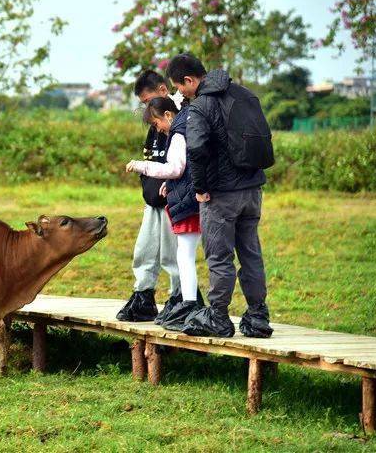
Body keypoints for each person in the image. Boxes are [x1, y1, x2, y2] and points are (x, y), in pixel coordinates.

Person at [165, 54, 273, 338]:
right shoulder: (244, 94)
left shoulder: (201, 106)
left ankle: (218, 317)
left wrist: (200, 189)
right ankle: (258, 316)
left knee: (219, 257)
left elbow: (197, 150)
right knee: (251, 253)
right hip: (252, 189)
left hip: (222, 194)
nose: (180, 94)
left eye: (179, 87)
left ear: (189, 80)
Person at [125, 96, 205, 330]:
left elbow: (176, 168)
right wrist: (171, 185)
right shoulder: (186, 126)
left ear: (168, 115)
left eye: (157, 123)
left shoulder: (179, 132)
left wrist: (142, 165)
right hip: (185, 199)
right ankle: (187, 305)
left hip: (189, 204)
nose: (157, 129)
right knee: (184, 255)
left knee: (183, 257)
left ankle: (187, 304)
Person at [115, 71, 180, 322]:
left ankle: (180, 298)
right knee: (144, 248)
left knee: (172, 255)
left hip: (173, 199)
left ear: (163, 91)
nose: (146, 109)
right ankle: (143, 295)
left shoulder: (179, 117)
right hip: (153, 198)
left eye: (147, 100)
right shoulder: (155, 121)